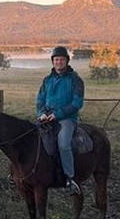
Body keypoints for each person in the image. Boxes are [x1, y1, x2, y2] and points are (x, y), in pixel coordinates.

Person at [36, 46, 85, 195]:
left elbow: (77, 103)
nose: (58, 62)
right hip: (46, 117)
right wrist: (41, 113)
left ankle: (70, 179)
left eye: (61, 59)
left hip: (67, 119)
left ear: (67, 61)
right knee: (28, 137)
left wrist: (57, 114)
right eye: (56, 59)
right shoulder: (47, 80)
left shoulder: (75, 80)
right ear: (53, 61)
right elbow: (40, 100)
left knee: (63, 144)